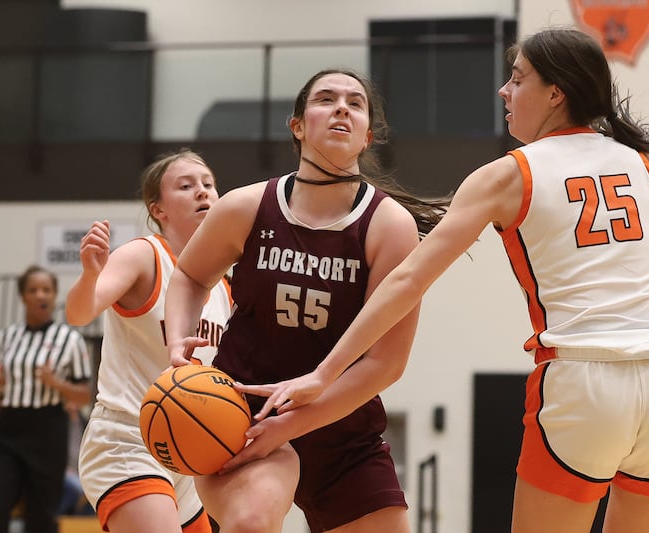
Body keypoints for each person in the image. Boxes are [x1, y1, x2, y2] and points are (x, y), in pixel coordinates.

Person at [239, 29, 649, 533]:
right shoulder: (636, 160)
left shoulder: (508, 174)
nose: (504, 90)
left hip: (584, 376)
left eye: (517, 79)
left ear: (556, 93)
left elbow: (408, 279)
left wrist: (321, 374)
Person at [164, 68, 448, 533]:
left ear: (367, 136)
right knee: (251, 522)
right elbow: (190, 276)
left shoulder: (388, 225)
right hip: (243, 416)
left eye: (355, 103)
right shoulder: (247, 206)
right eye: (326, 99)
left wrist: (292, 425)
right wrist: (177, 341)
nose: (341, 107)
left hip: (342, 427)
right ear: (298, 125)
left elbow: (385, 364)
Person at [65, 149, 232, 533]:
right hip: (128, 439)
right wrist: (90, 275)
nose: (202, 192)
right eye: (186, 186)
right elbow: (79, 313)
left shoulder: (224, 284)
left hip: (191, 453)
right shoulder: (145, 255)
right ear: (158, 210)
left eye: (209, 184)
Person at [0, 265, 93, 533]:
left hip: (48, 430)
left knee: (41, 517)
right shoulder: (6, 337)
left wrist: (57, 384)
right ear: (23, 297)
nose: (40, 295)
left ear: (53, 296)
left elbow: (84, 393)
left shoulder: (70, 339)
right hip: (8, 429)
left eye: (46, 290)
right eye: (33, 290)